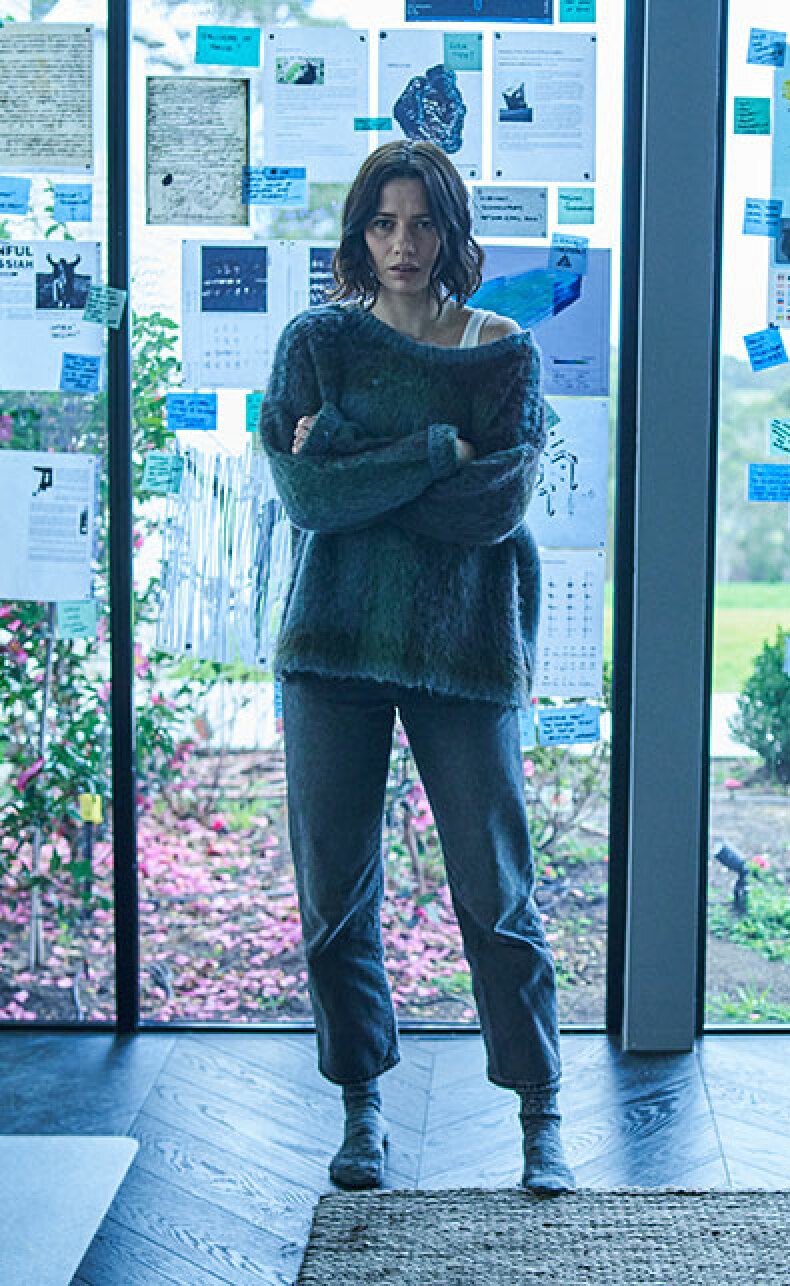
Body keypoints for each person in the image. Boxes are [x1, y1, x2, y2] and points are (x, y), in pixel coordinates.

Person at [257, 140, 571, 1194]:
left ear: (452, 231)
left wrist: (357, 452)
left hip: (466, 652)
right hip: (330, 649)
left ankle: (540, 1111)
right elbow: (308, 501)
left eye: (422, 223)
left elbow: (495, 512)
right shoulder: (317, 343)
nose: (402, 244)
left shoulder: (505, 352)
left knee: (496, 893)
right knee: (334, 898)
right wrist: (440, 451)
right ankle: (361, 1111)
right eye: (383, 224)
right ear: (358, 233)